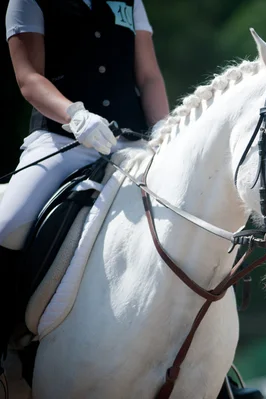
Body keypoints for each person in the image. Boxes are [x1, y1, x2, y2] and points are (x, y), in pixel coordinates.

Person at [0, 0, 170, 387]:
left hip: (131, 144)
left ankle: (217, 372)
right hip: (61, 140)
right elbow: (29, 79)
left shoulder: (130, 1)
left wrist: (164, 134)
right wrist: (75, 115)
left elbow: (148, 77)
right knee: (6, 224)